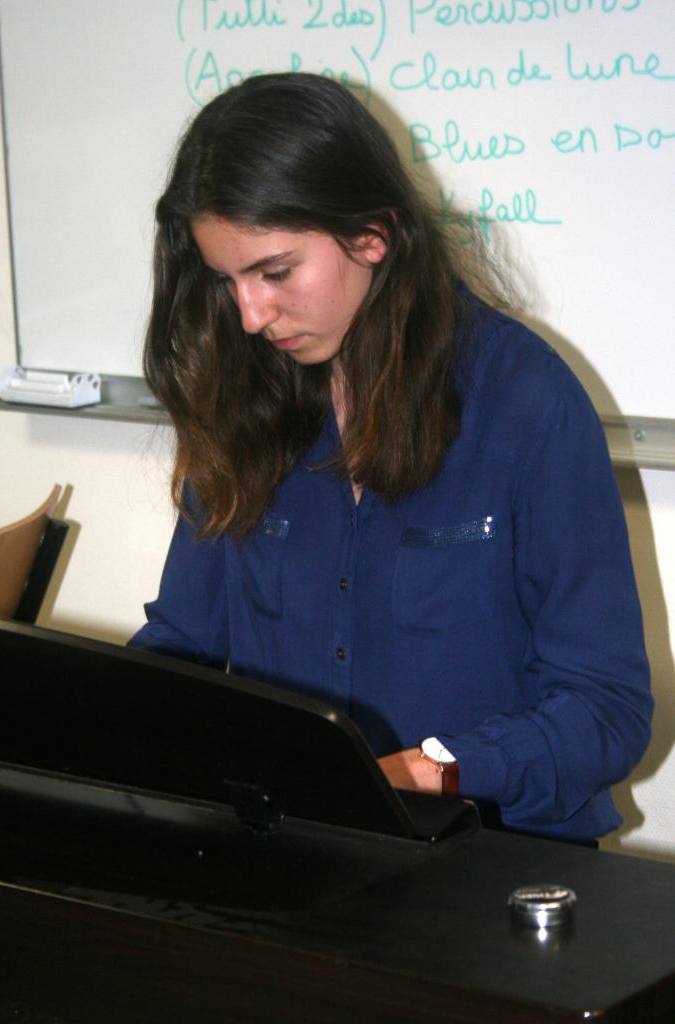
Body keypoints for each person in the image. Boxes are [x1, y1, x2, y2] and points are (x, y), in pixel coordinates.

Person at [130, 72, 652, 843]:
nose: (249, 314)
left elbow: (605, 709)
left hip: (490, 859)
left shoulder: (526, 402)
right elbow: (183, 646)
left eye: (274, 272)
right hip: (299, 850)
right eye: (225, 280)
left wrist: (431, 771)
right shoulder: (242, 401)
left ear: (371, 235)